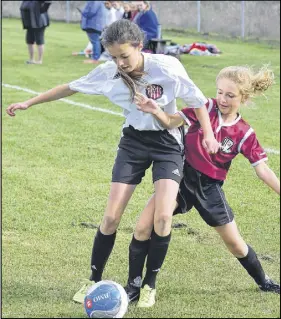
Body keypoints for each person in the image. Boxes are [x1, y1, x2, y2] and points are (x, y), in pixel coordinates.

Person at [6, 19, 220, 304]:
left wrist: (207, 134)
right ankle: (93, 279)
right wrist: (29, 103)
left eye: (124, 56)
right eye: (113, 56)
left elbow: (197, 101)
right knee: (110, 217)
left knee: (164, 216)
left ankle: (149, 285)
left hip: (167, 143)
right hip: (133, 142)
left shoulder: (167, 68)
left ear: (140, 46)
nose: (119, 62)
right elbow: (69, 88)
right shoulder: (108, 72)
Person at [125, 65, 280, 307]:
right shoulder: (204, 107)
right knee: (144, 225)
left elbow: (262, 170)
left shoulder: (244, 133)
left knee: (235, 244)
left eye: (230, 95)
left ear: (244, 98)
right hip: (180, 180)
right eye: (220, 92)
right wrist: (155, 110)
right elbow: (170, 122)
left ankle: (264, 281)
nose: (222, 99)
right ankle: (136, 285)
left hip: (210, 189)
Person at [20, 0, 52, 64]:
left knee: (39, 40)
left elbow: (48, 2)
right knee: (29, 40)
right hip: (30, 23)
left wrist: (42, 10)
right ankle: (31, 59)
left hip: (39, 21)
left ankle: (40, 60)